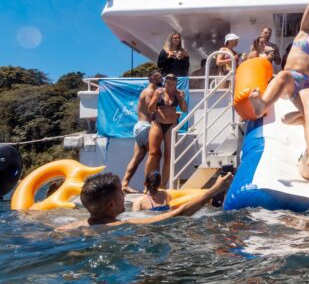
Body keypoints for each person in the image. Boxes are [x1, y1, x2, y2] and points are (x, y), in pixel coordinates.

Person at [248, 2, 309, 173]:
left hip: (307, 84)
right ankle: (261, 105)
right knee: (282, 75)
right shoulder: (303, 33)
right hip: (290, 79)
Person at [57, 171, 233, 230]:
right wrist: (214, 189)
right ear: (110, 204)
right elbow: (178, 214)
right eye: (121, 193)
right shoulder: (124, 225)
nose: (124, 195)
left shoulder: (66, 228)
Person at [121, 71, 163, 194]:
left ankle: (124, 183)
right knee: (155, 155)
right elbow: (152, 109)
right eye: (161, 77)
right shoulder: (150, 92)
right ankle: (149, 186)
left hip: (140, 127)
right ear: (155, 78)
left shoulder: (147, 91)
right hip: (146, 127)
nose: (163, 79)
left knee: (138, 157)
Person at [145, 74, 188, 187]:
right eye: (168, 84)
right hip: (157, 124)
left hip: (171, 125)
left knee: (169, 156)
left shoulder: (178, 94)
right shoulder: (159, 92)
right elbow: (150, 109)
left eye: (172, 84)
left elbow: (184, 109)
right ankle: (147, 185)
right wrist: (156, 98)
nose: (170, 86)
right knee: (153, 153)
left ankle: (163, 186)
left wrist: (182, 98)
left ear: (175, 84)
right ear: (165, 82)